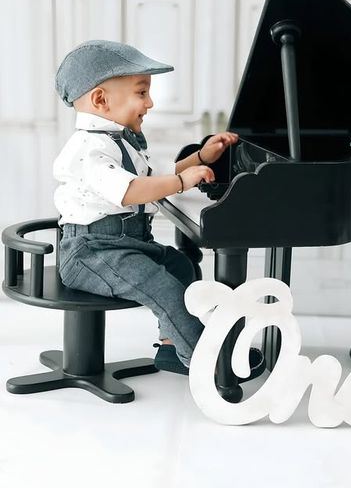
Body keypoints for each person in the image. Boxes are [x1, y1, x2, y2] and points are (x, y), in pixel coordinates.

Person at [53, 39, 265, 379]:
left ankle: (172, 347)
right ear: (100, 100)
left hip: (125, 245)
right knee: (163, 287)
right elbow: (131, 190)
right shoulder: (88, 148)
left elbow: (155, 176)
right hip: (91, 252)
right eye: (141, 93)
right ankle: (209, 363)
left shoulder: (120, 141)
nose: (150, 103)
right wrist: (183, 183)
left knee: (180, 266)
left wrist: (201, 159)